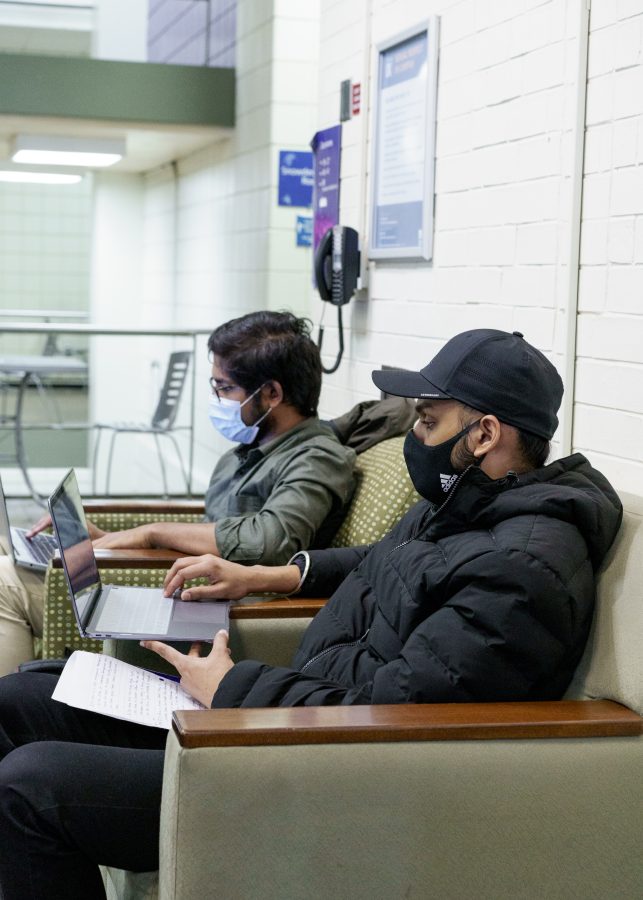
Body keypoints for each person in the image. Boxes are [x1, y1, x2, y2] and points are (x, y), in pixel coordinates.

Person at [0, 329, 622, 898]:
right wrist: (270, 574)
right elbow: (382, 561)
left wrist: (232, 687)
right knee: (25, 697)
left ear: (485, 434)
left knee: (29, 786)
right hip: (282, 719)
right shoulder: (468, 509)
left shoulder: (521, 570)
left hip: (323, 773)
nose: (413, 439)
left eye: (428, 423)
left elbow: (402, 718)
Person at [0, 310, 356, 674]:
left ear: (272, 393)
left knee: (3, 583)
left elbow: (270, 539)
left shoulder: (317, 458)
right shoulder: (254, 449)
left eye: (225, 387)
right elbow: (213, 533)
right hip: (184, 588)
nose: (217, 398)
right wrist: (110, 539)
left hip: (224, 608)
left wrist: (152, 533)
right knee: (8, 550)